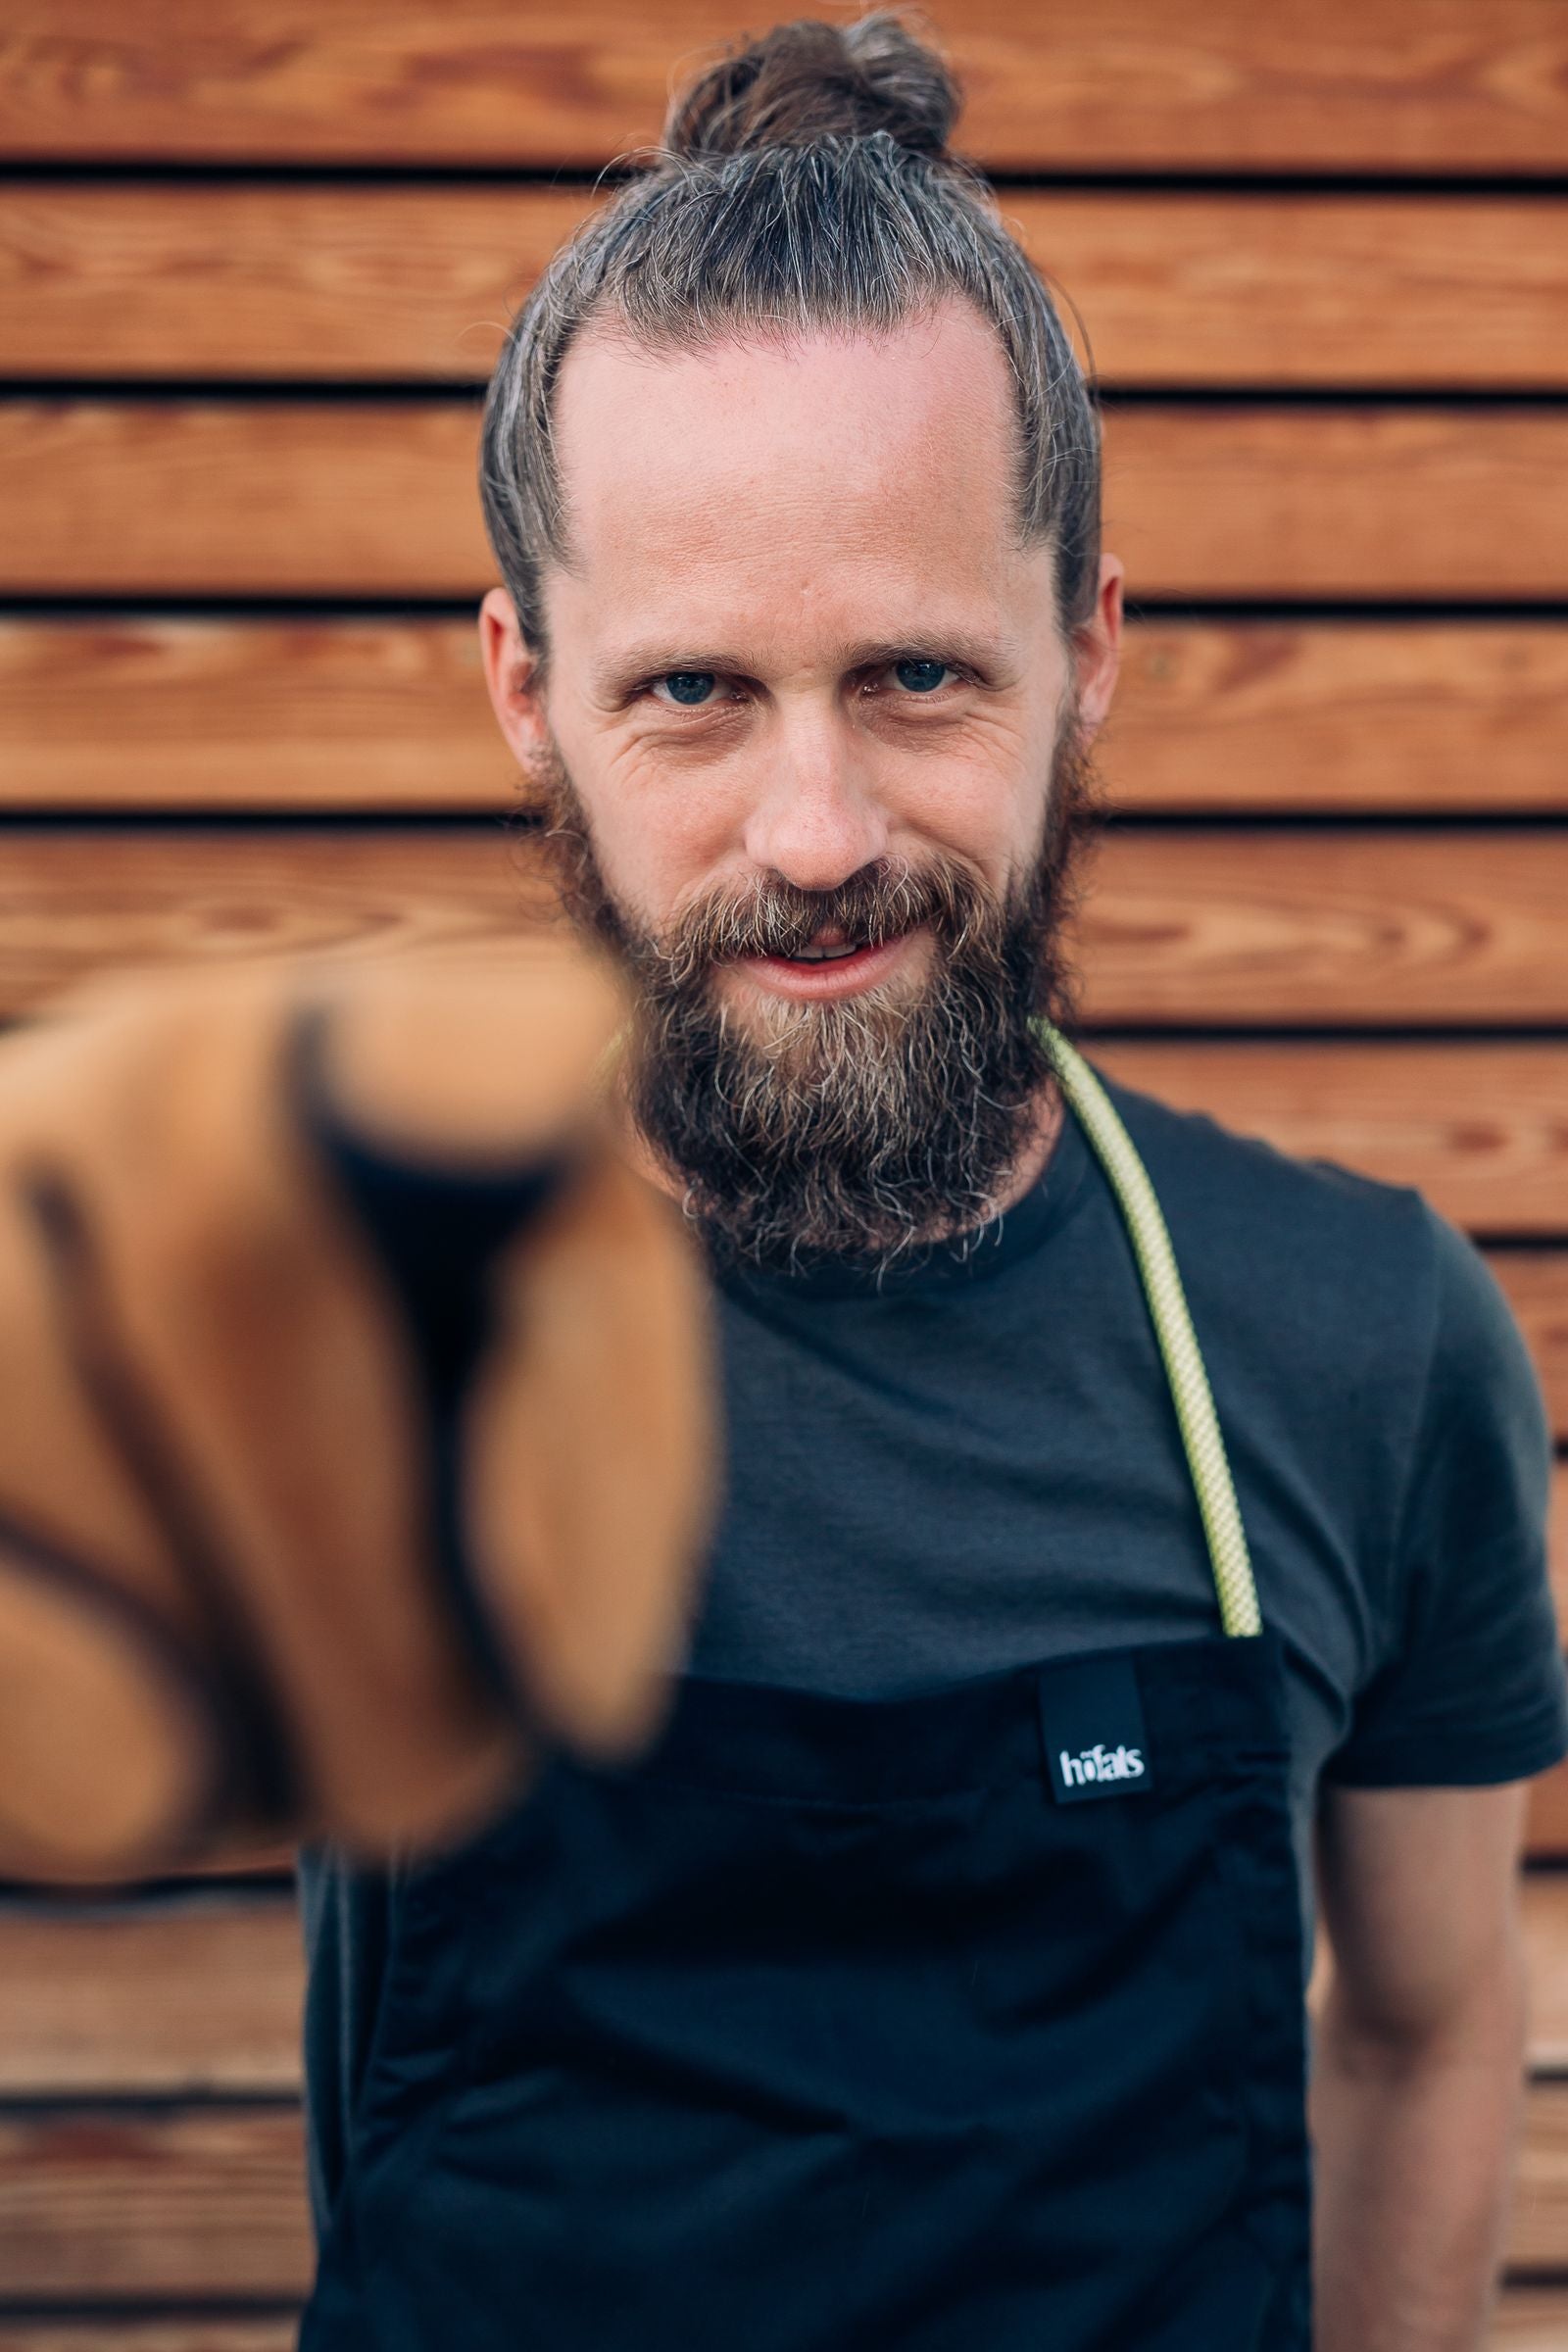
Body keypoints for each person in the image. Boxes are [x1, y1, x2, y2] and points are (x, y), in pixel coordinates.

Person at [0, 14, 1559, 2349]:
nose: (812, 836)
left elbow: (1427, 2030)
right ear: (526, 689)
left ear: (1084, 650)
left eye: (913, 676)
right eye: (693, 694)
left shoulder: (1360, 1342)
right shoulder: (326, 1294)